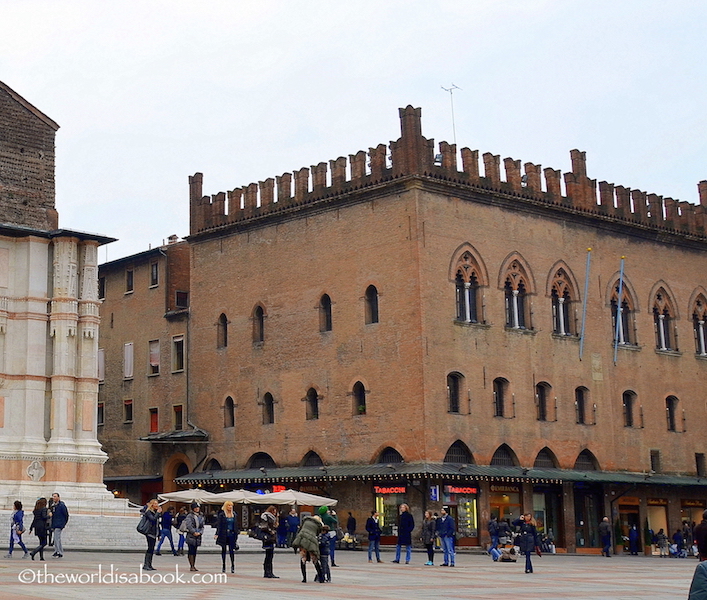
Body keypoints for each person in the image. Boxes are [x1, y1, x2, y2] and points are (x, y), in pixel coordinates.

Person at [292, 511, 324, 583]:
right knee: (314, 559)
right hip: (311, 541)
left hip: (302, 539)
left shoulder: (306, 521)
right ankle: (321, 577)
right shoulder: (318, 525)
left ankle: (304, 578)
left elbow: (300, 529)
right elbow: (317, 533)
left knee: (303, 558)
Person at [215, 500, 238, 573]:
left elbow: (236, 525)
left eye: (231, 505)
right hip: (224, 534)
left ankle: (232, 565)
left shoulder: (234, 514)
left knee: (232, 550)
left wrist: (236, 533)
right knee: (224, 550)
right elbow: (219, 525)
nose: (230, 507)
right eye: (229, 505)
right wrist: (217, 533)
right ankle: (224, 565)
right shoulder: (222, 515)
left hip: (232, 534)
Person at [139, 499, 161, 571]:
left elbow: (157, 524)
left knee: (152, 549)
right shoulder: (149, 512)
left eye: (157, 504)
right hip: (149, 532)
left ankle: (149, 564)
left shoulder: (155, 512)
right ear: (152, 505)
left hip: (154, 533)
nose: (156, 505)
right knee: (150, 548)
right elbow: (153, 519)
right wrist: (157, 513)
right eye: (155, 504)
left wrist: (159, 534)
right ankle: (146, 564)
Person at [184, 502, 205, 572]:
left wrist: (200, 532)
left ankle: (194, 564)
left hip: (198, 535)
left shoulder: (201, 516)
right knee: (191, 550)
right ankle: (191, 565)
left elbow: (202, 526)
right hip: (191, 535)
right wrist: (193, 532)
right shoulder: (190, 516)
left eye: (198, 508)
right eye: (195, 508)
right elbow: (189, 525)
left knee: (195, 550)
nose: (197, 509)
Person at [260, 505, 279, 578]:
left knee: (270, 555)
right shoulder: (266, 516)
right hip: (268, 538)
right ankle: (267, 572)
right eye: (274, 511)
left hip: (271, 538)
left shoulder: (273, 518)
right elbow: (264, 526)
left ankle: (269, 572)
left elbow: (275, 526)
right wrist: (271, 531)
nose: (275, 513)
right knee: (269, 555)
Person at [50, 492, 69, 558]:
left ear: (58, 497)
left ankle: (58, 552)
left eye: (55, 496)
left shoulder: (61, 506)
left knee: (56, 538)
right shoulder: (54, 506)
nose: (53, 498)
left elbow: (66, 515)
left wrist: (63, 523)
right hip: (55, 524)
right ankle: (59, 551)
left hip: (59, 524)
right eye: (53, 496)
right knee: (57, 538)